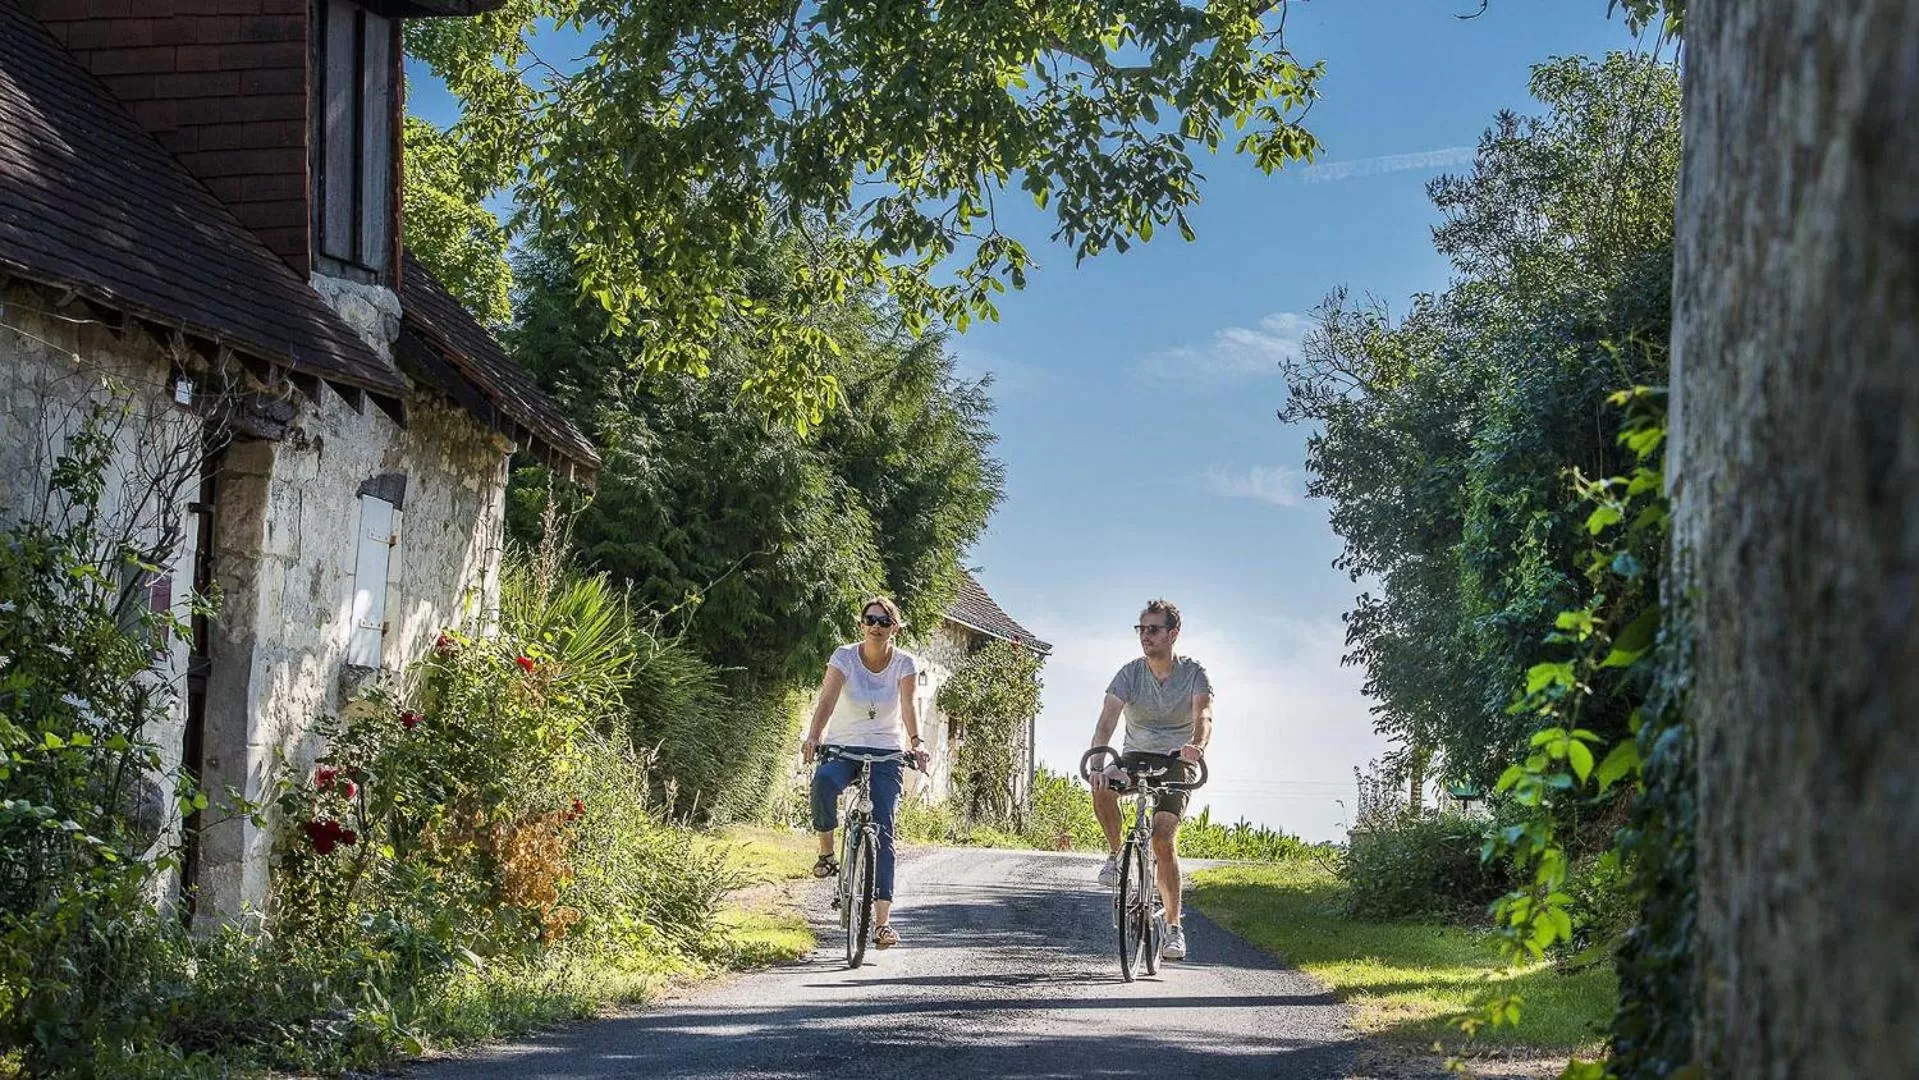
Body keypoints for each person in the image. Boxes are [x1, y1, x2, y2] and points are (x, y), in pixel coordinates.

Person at [801, 596, 931, 949]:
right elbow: (827, 699)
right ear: (861, 624)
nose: (876, 626)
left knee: (884, 831)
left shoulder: (904, 663)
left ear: (895, 628)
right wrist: (814, 736)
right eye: (870, 619)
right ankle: (827, 854)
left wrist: (917, 742)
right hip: (843, 748)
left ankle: (882, 924)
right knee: (824, 781)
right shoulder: (844, 657)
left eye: (884, 621)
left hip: (886, 752)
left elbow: (908, 705)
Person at [1088, 598, 1212, 962]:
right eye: (1141, 629)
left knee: (1161, 838)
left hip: (1177, 760)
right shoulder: (1129, 673)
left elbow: (1204, 716)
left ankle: (1173, 928)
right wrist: (1098, 761)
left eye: (1153, 629)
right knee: (1102, 784)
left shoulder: (1194, 673)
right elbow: (1106, 721)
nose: (1146, 636)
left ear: (1173, 634)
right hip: (1135, 756)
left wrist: (1196, 746)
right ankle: (1116, 857)